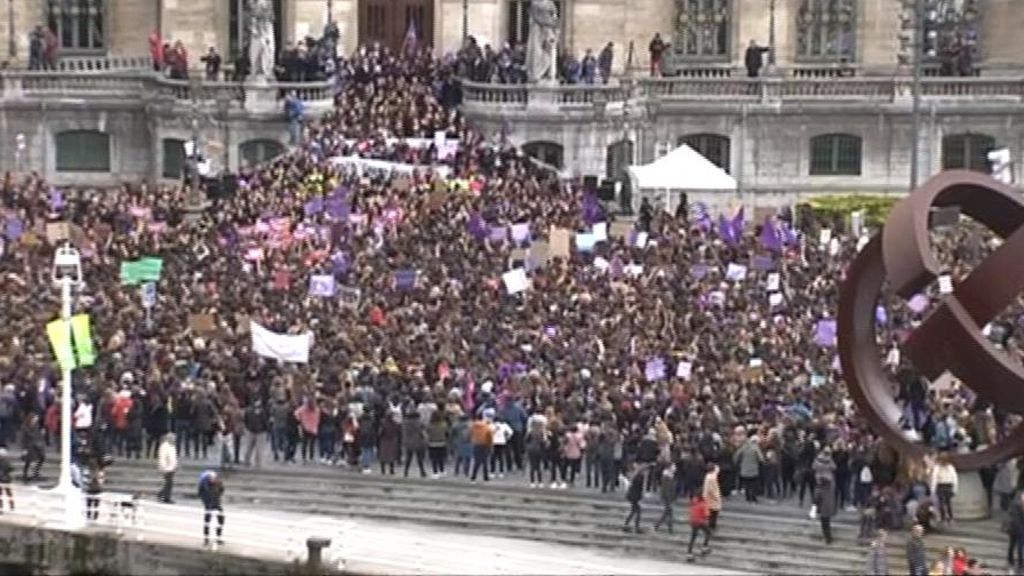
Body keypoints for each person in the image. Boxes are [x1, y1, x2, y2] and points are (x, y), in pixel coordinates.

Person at [198, 470, 225, 549]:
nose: (212, 479)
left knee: (221, 520)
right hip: (208, 504)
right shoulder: (204, 484)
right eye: (211, 478)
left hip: (217, 503)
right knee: (207, 522)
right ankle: (206, 538)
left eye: (214, 477)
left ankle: (218, 537)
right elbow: (200, 493)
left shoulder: (219, 483)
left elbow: (222, 490)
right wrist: (205, 501)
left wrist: (218, 498)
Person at [734, 433, 764, 503]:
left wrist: (737, 463)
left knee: (746, 484)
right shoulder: (755, 448)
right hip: (753, 469)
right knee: (753, 484)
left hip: (744, 469)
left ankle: (748, 498)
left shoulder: (743, 447)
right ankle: (753, 498)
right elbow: (761, 458)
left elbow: (737, 455)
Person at [930, 455, 958, 524]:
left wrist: (954, 489)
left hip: (946, 485)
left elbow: (954, 478)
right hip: (942, 486)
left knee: (946, 503)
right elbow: (935, 479)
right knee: (944, 503)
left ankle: (947, 518)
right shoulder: (938, 467)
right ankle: (946, 518)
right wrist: (933, 489)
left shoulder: (949, 467)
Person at [686, 494, 712, 562]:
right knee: (708, 533)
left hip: (693, 521)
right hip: (700, 521)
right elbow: (707, 515)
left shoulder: (694, 501)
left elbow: (691, 510)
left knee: (693, 538)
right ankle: (704, 547)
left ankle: (689, 554)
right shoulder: (704, 503)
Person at [401, 412, 427, 478]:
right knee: (419, 459)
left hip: (408, 442)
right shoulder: (419, 423)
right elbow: (422, 431)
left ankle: (406, 471)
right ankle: (422, 472)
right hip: (418, 442)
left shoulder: (405, 423)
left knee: (408, 458)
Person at [20, 414, 45, 482]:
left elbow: (38, 436)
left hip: (36, 446)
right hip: (29, 446)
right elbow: (23, 439)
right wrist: (24, 449)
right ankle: (25, 475)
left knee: (41, 458)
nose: (36, 420)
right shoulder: (25, 427)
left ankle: (35, 473)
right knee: (28, 461)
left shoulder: (36, 426)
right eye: (35, 419)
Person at [469, 412, 493, 482]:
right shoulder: (486, 426)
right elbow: (489, 437)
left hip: (476, 444)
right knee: (485, 461)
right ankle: (486, 477)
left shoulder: (473, 426)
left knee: (477, 462)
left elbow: (470, 434)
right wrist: (490, 446)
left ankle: (473, 477)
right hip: (484, 444)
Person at [654, 463, 677, 534]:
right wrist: (669, 499)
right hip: (667, 498)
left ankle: (661, 526)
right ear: (669, 468)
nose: (675, 468)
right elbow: (666, 489)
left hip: (669, 498)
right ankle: (665, 527)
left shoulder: (669, 476)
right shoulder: (666, 477)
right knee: (668, 513)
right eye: (674, 467)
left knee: (668, 513)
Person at [814, 473, 837, 544]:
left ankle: (827, 538)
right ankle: (828, 537)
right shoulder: (831, 489)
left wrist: (814, 511)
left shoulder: (819, 490)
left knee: (824, 524)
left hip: (823, 509)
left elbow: (816, 500)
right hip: (830, 508)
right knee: (828, 523)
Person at [622, 463, 646, 533]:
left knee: (633, 512)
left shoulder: (637, 476)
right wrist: (639, 497)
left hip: (632, 496)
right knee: (638, 512)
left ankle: (626, 525)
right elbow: (638, 489)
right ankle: (636, 528)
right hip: (634, 496)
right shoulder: (639, 477)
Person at [157, 432, 178, 504]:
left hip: (172, 467)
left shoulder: (172, 446)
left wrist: (175, 465)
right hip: (166, 468)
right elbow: (162, 458)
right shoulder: (164, 446)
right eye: (173, 439)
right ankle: (166, 497)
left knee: (169, 483)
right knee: (169, 483)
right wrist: (164, 467)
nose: (174, 440)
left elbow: (174, 457)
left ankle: (161, 495)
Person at [703, 463, 722, 531]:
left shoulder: (709, 476)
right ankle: (711, 527)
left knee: (711, 513)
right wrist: (717, 497)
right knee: (713, 514)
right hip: (712, 499)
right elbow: (712, 490)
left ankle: (711, 526)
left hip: (709, 498)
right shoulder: (712, 478)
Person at [0, 448, 14, 513]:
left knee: (1, 494)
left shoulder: (5, 461)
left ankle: (1, 507)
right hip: (7, 479)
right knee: (8, 493)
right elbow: (11, 468)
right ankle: (11, 506)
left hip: (2, 479)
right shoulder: (7, 461)